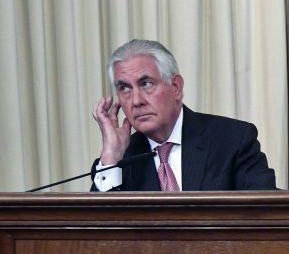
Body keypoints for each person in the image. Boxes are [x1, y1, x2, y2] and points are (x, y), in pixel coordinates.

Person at [91, 39, 276, 191]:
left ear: (176, 87)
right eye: (124, 88)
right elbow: (94, 231)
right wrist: (111, 156)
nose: (136, 100)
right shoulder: (117, 163)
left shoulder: (233, 140)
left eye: (146, 83)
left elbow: (264, 214)